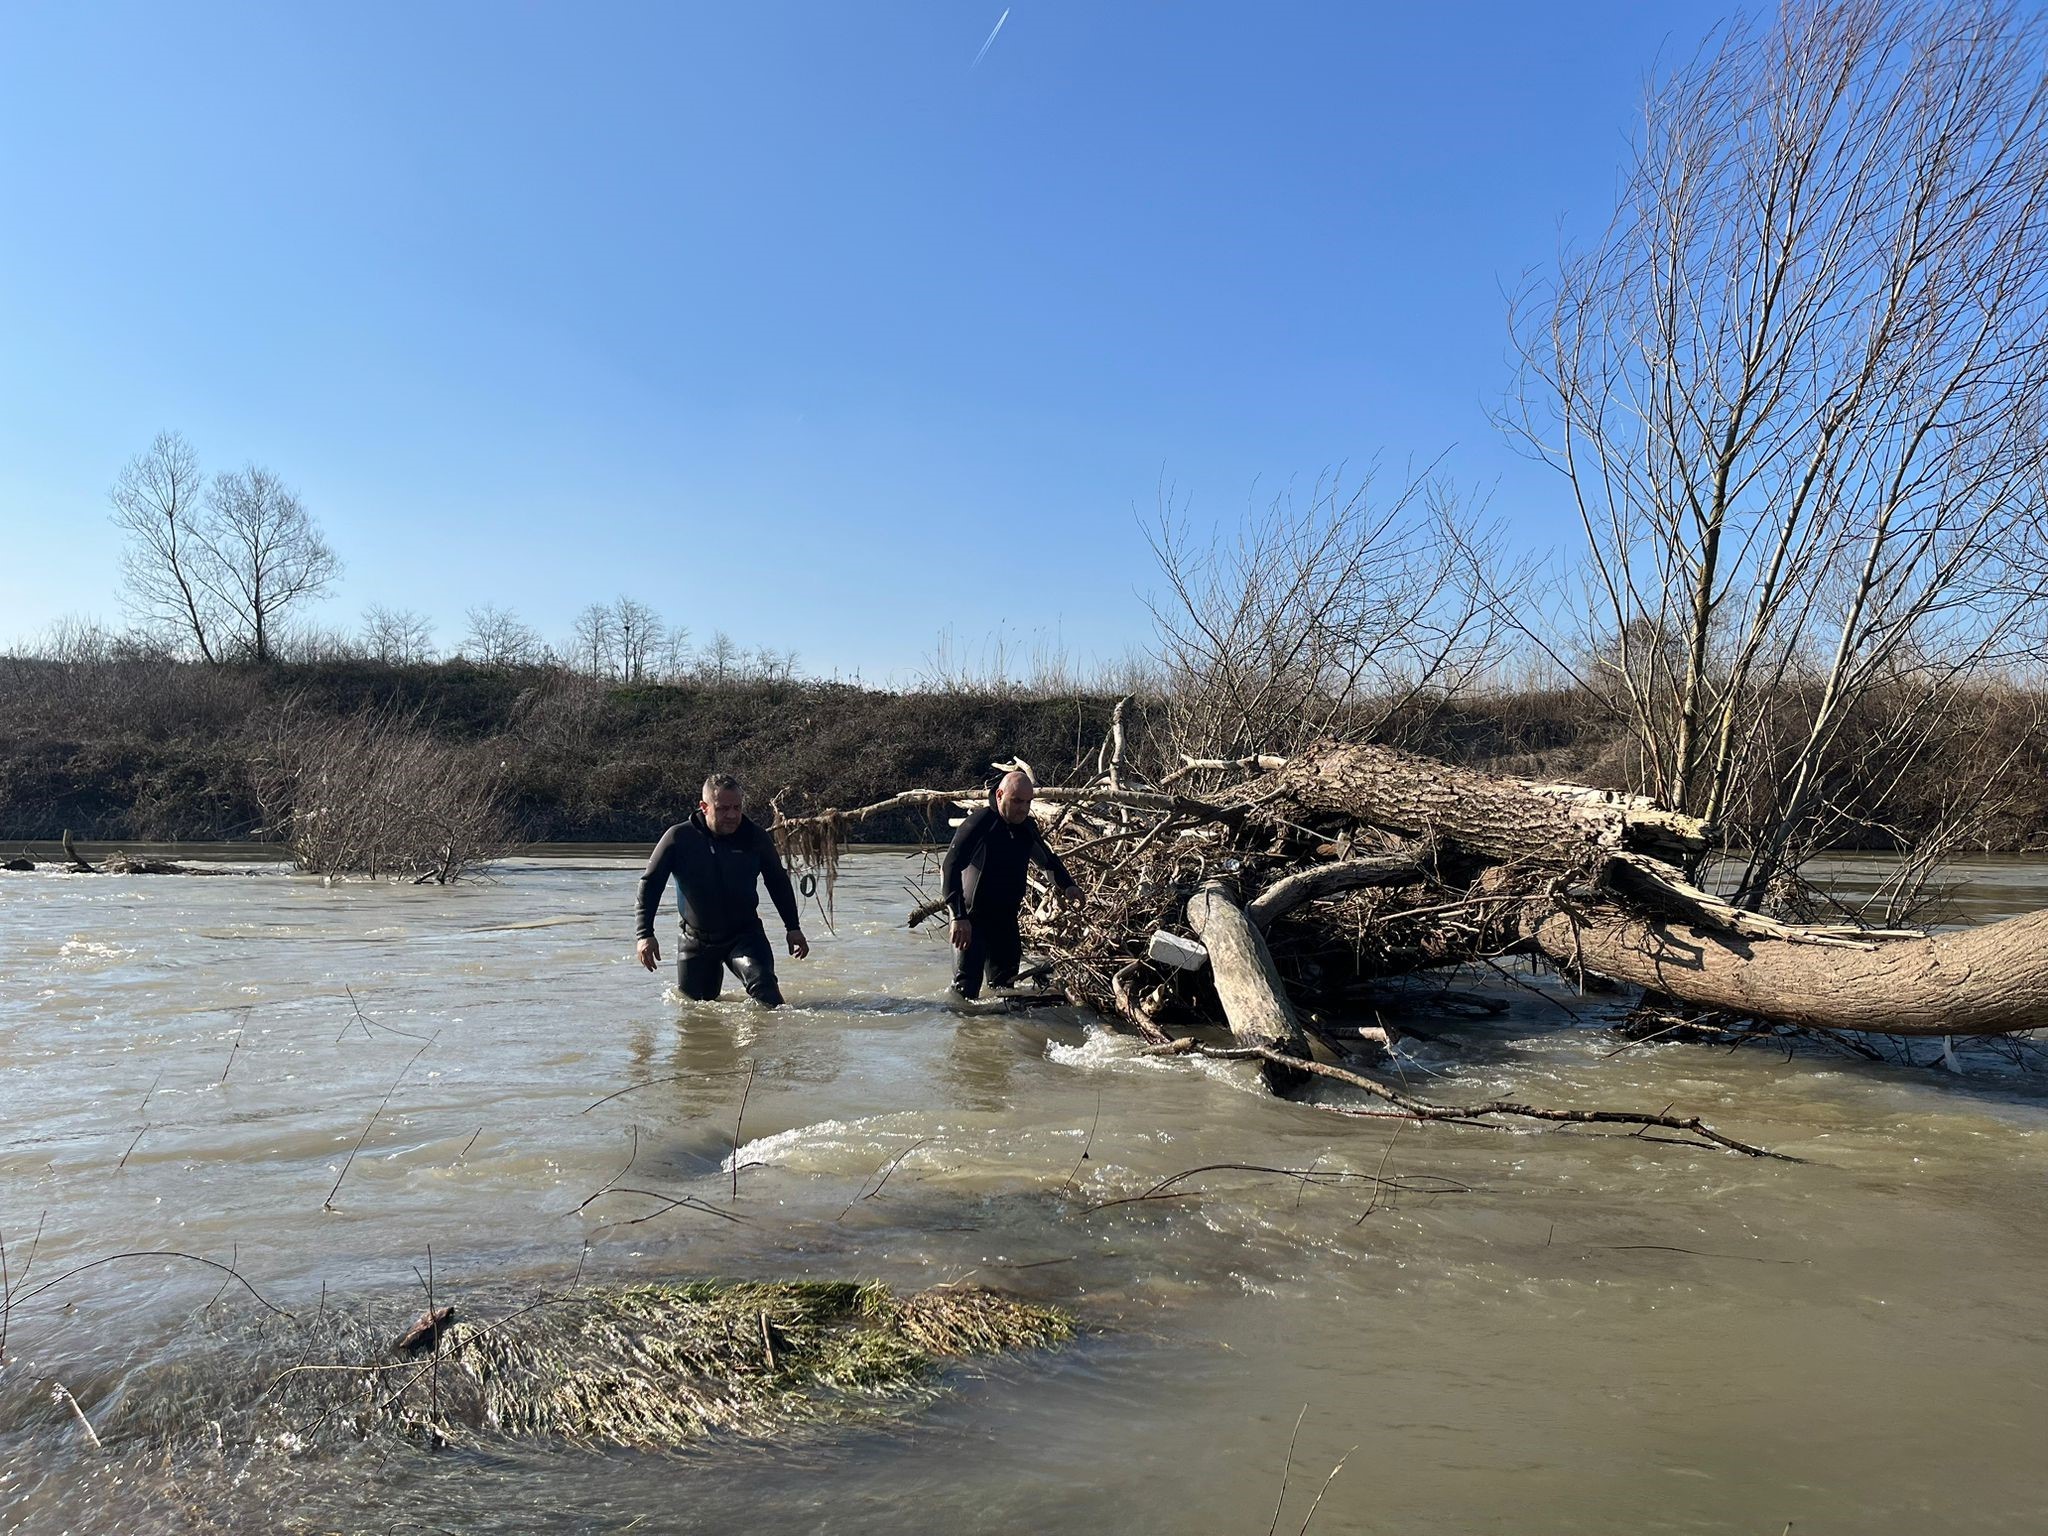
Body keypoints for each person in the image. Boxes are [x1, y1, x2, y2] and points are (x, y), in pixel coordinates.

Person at [635, 773, 809, 1006]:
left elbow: (777, 881)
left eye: (737, 807)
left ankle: (772, 1041)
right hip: (695, 940)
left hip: (744, 936)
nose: (732, 815)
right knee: (696, 1010)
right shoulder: (679, 838)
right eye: (723, 808)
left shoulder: (754, 837)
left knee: (767, 994)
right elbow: (650, 883)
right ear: (704, 807)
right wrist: (644, 934)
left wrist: (793, 927)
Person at [942, 769, 1080, 1001]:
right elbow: (950, 866)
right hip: (971, 922)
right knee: (964, 997)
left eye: (1028, 802)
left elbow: (1047, 860)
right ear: (999, 795)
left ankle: (1001, 1037)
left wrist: (1068, 886)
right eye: (1016, 801)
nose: (1022, 808)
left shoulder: (1026, 828)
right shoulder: (980, 823)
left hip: (1005, 922)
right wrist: (957, 916)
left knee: (1006, 994)